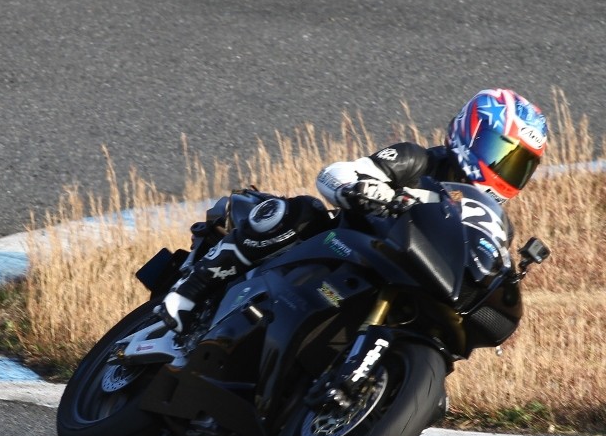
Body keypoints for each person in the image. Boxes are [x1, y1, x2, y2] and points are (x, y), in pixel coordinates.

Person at [158, 88, 550, 333]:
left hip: (399, 281)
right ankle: (192, 289)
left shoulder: (495, 222)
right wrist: (362, 189)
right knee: (300, 212)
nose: (505, 171)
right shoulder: (417, 160)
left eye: (519, 166)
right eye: (502, 154)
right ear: (472, 133)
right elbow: (337, 173)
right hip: (342, 248)